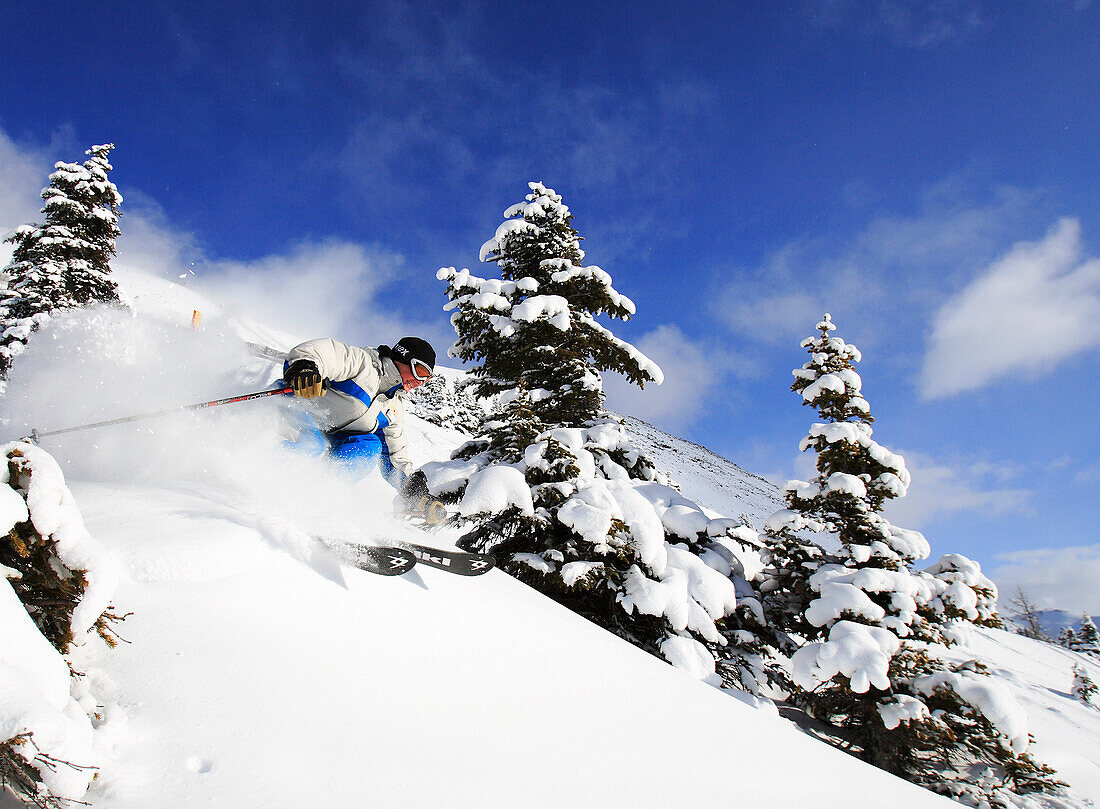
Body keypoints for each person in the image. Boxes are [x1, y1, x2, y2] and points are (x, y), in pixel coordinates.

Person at [280, 335, 443, 521]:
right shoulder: (364, 365)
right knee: (311, 445)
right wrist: (305, 367)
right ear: (403, 357)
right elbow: (324, 352)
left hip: (330, 435)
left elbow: (395, 457)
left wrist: (415, 491)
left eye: (426, 379)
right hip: (298, 409)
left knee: (370, 446)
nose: (419, 382)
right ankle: (267, 482)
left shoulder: (392, 407)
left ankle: (320, 496)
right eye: (420, 372)